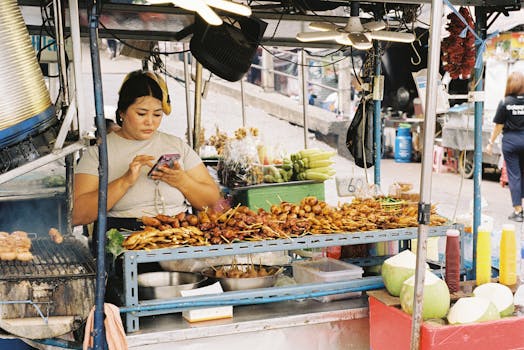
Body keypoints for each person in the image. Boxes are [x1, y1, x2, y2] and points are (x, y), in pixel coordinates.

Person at [73, 70, 220, 230]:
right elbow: (78, 214)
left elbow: (213, 202)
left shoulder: (176, 145)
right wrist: (125, 181)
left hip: (178, 236)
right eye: (141, 114)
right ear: (122, 112)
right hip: (123, 240)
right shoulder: (98, 153)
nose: (150, 122)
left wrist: (183, 181)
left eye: (157, 115)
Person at [486, 71, 524, 222]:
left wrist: (490, 143)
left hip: (511, 142)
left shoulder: (505, 102)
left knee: (514, 176)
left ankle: (518, 211)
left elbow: (498, 126)